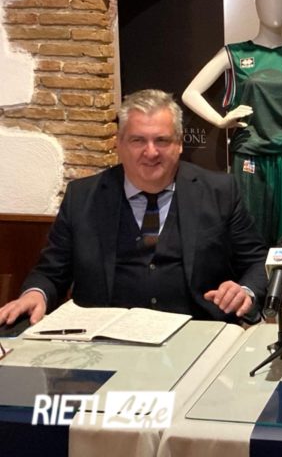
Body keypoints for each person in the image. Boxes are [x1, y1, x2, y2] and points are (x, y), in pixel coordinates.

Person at [0, 89, 268, 327]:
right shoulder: (81, 197)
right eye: (138, 140)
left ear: (179, 144)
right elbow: (51, 271)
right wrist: (35, 294)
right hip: (104, 339)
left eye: (162, 140)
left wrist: (245, 291)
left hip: (197, 332)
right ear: (119, 144)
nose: (150, 152)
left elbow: (257, 262)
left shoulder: (220, 191)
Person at [183, 0, 282, 244]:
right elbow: (191, 93)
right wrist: (220, 121)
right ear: (256, 3)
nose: (275, 6)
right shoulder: (234, 54)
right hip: (251, 155)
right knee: (250, 236)